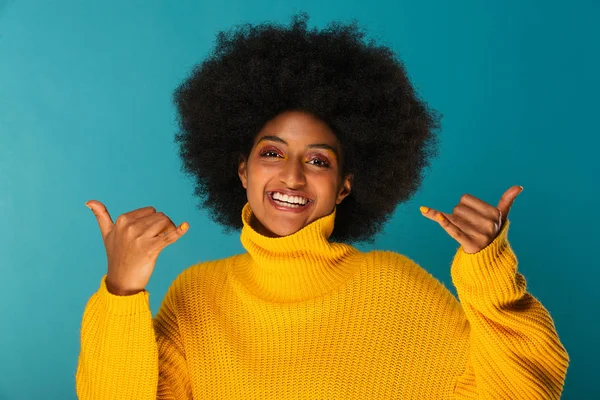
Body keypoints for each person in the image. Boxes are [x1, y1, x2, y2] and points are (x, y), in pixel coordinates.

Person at [76, 13, 569, 399]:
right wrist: (122, 288)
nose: (291, 175)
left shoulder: (395, 288)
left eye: (317, 160)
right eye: (271, 153)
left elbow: (520, 392)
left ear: (345, 187)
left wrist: (491, 280)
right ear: (243, 171)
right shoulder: (197, 295)